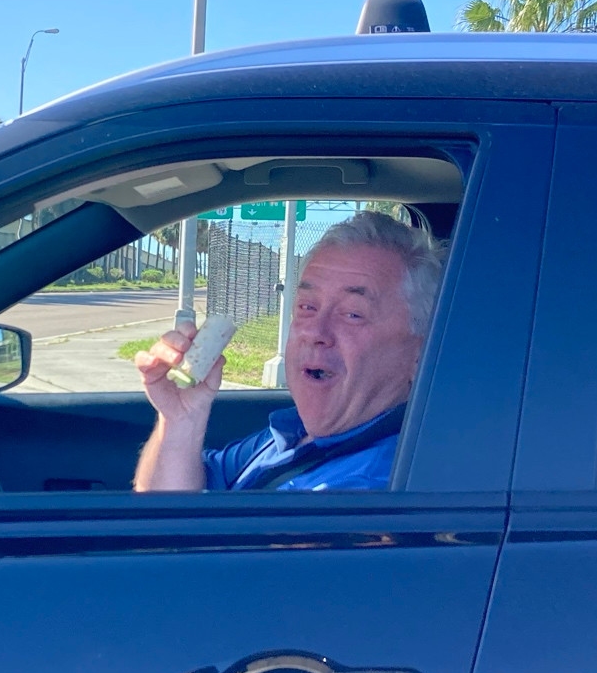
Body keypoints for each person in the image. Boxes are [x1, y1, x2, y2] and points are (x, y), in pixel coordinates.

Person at [133, 211, 444, 492]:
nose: (314, 332)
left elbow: (168, 532)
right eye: (307, 307)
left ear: (421, 354)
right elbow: (168, 509)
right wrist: (179, 421)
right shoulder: (292, 433)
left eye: (353, 313)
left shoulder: (367, 491)